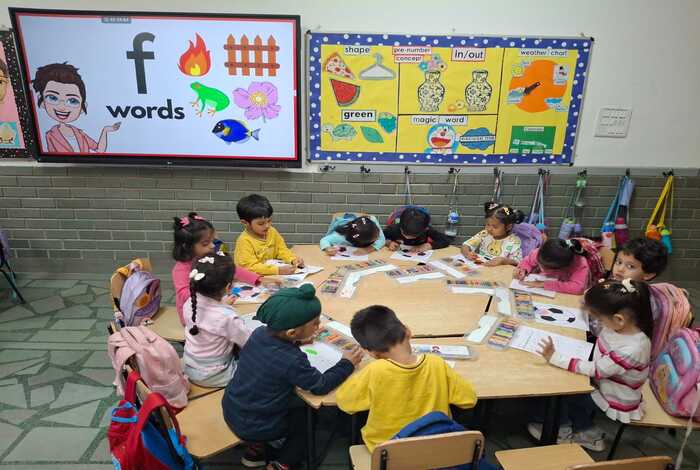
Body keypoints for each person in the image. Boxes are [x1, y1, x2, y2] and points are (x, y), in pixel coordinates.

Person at [222, 285, 362, 470]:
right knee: (305, 420)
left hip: (234, 408)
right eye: (315, 323)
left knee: (290, 402)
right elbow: (320, 385)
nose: (318, 326)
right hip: (257, 424)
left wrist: (298, 341)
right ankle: (282, 464)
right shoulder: (291, 360)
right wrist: (347, 363)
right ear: (291, 333)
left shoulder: (259, 334)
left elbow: (272, 355)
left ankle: (255, 450)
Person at [530, 279, 653, 451]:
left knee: (566, 393)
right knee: (570, 385)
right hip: (604, 382)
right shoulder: (619, 326)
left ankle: (568, 431)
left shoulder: (632, 349)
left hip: (614, 396)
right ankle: (583, 428)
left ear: (618, 319)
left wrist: (555, 358)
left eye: (599, 318)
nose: (597, 321)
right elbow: (599, 335)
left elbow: (597, 370)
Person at [336, 305, 477, 452]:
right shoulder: (436, 363)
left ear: (371, 353)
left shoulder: (375, 371)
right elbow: (469, 400)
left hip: (388, 453)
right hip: (436, 449)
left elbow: (345, 403)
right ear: (408, 331)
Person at [171, 212, 267, 326]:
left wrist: (258, 279)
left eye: (212, 241)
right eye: (205, 243)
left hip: (216, 304)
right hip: (195, 315)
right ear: (187, 246)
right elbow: (185, 294)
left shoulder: (211, 255)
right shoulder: (181, 269)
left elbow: (232, 268)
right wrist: (216, 302)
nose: (212, 246)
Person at [183, 252, 250, 387]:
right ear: (228, 287)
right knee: (262, 366)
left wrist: (222, 304)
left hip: (190, 368)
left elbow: (209, 316)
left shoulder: (189, 303)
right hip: (216, 375)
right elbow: (248, 342)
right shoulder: (227, 317)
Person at [31, 62, 120, 153]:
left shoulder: (79, 133)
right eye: (53, 98)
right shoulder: (50, 135)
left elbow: (99, 150)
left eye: (72, 101)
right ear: (42, 101)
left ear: (82, 107)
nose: (62, 107)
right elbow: (52, 157)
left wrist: (105, 130)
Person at [234, 194, 303, 275]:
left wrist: (293, 259)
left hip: (272, 277)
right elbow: (249, 267)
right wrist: (277, 270)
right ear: (245, 223)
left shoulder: (272, 231)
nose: (267, 226)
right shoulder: (244, 241)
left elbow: (282, 250)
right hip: (254, 280)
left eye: (269, 221)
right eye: (261, 223)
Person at [516, 238, 591, 295]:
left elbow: (578, 288)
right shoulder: (543, 252)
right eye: (540, 264)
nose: (542, 269)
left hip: (562, 292)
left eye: (547, 268)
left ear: (564, 266)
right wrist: (523, 269)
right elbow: (528, 261)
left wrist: (544, 284)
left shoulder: (579, 264)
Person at [384, 207, 452, 251]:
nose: (408, 238)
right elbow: (380, 238)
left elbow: (446, 240)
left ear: (425, 229)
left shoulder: (427, 230)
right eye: (404, 233)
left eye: (414, 236)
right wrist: (388, 243)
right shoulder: (393, 229)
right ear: (400, 226)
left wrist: (430, 245)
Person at [320, 213, 385, 256]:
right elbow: (324, 240)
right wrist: (327, 248)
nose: (378, 236)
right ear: (360, 242)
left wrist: (367, 249)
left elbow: (382, 240)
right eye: (375, 238)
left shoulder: (371, 220)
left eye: (378, 230)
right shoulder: (340, 236)